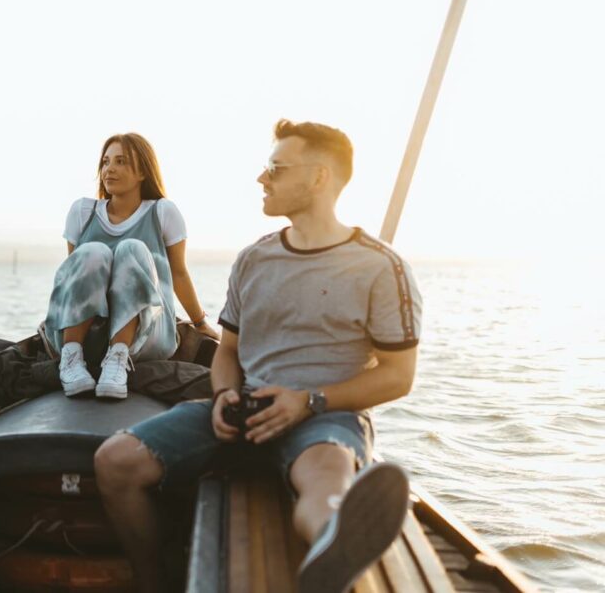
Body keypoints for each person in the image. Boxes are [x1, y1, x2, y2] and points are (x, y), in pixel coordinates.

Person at [93, 120, 422, 593]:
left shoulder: (381, 267)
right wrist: (224, 393)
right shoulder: (253, 259)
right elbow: (227, 352)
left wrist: (307, 401)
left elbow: (398, 376)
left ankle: (334, 544)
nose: (261, 178)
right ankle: (153, 581)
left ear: (318, 178)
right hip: (243, 409)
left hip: (323, 417)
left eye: (275, 167)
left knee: (326, 477)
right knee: (115, 462)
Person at [46, 132, 219, 399]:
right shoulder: (82, 212)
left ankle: (118, 359)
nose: (109, 169)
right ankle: (71, 358)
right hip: (90, 336)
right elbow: (76, 279)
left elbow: (178, 273)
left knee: (132, 249)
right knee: (92, 252)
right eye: (105, 162)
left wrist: (199, 323)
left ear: (142, 172)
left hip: (146, 336)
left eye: (121, 161)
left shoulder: (163, 212)